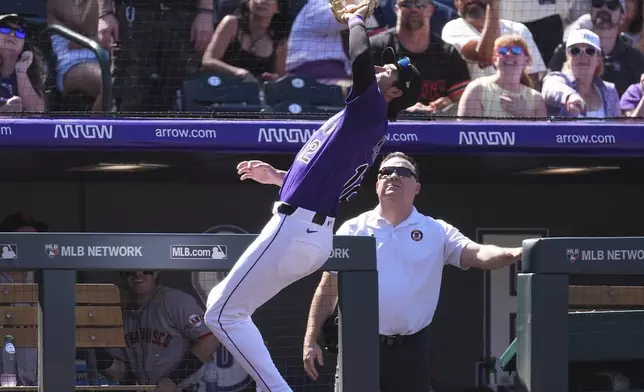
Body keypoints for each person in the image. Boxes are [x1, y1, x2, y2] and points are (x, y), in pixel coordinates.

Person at [202, 3, 422, 392]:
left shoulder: (372, 108)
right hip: (306, 226)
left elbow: (357, 57)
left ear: (395, 91)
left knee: (222, 314)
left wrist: (356, 20)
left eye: (388, 70)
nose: (379, 68)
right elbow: (324, 179)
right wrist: (279, 178)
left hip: (297, 229)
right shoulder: (364, 120)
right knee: (225, 305)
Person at [299, 152, 522, 392]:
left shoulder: (437, 230)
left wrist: (516, 253)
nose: (393, 176)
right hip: (360, 345)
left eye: (403, 172)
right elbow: (328, 288)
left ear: (416, 187)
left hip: (412, 350)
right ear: (377, 186)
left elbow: (479, 254)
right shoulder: (353, 229)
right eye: (385, 172)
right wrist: (310, 338)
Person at [98, 271, 219, 391]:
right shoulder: (121, 314)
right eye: (131, 271)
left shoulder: (174, 300)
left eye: (145, 269)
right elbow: (119, 372)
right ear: (123, 275)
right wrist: (98, 356)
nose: (138, 274)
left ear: (156, 272)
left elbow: (209, 339)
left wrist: (173, 380)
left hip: (185, 388)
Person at [458, 35, 546, 118]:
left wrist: (527, 114)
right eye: (502, 51)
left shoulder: (536, 98)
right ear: (495, 60)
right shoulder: (477, 88)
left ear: (526, 60)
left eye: (516, 50)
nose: (508, 54)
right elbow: (467, 132)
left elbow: (541, 133)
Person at [542, 29, 621, 118]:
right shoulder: (557, 79)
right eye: (575, 50)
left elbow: (617, 128)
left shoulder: (610, 91)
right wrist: (569, 97)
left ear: (598, 59)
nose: (582, 56)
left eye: (589, 51)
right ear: (568, 57)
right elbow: (551, 87)